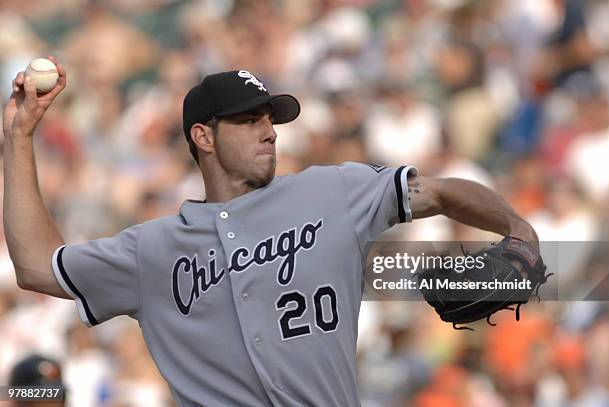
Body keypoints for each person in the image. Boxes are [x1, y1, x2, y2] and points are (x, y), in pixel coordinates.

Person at [3, 60, 539, 406]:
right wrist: (20, 135)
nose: (268, 130)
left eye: (269, 118)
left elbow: (441, 192)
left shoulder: (333, 191)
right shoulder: (152, 250)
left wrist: (519, 231)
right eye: (247, 120)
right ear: (202, 137)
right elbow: (35, 265)